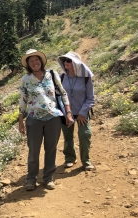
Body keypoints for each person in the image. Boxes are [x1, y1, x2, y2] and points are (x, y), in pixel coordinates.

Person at [18, 49, 74, 191]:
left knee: (51, 149)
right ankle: (31, 179)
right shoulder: (26, 79)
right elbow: (23, 100)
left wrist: (68, 112)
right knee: (33, 151)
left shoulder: (52, 74)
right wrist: (20, 120)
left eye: (37, 60)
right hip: (34, 118)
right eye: (31, 61)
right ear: (28, 65)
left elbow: (63, 93)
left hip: (53, 117)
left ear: (41, 61)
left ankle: (48, 177)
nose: (35, 63)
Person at [57, 52, 95, 171]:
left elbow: (90, 98)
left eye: (68, 60)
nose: (65, 63)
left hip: (82, 113)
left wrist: (82, 113)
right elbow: (58, 96)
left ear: (76, 63)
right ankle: (69, 158)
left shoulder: (85, 78)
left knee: (85, 134)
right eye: (64, 60)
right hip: (65, 112)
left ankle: (86, 161)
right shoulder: (61, 77)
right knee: (67, 136)